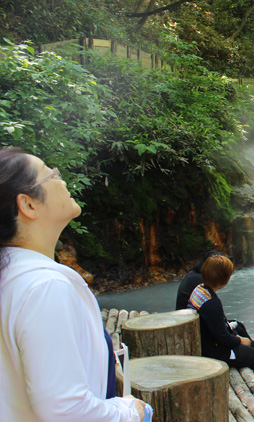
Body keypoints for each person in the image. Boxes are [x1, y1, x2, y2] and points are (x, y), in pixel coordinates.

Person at [0, 147, 150, 421]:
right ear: (28, 205)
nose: (63, 181)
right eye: (52, 175)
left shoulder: (11, 276)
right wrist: (131, 412)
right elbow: (66, 410)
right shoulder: (44, 287)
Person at [188, 254, 254, 404]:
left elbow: (215, 327)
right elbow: (224, 339)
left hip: (206, 343)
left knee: (250, 340)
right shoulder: (212, 303)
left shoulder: (200, 289)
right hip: (217, 353)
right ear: (225, 280)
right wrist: (241, 341)